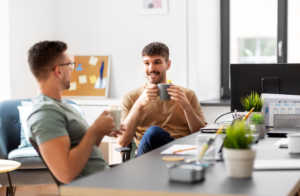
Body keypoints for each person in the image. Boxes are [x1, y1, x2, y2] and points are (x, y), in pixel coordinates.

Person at [26, 40, 123, 184]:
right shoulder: (45, 114)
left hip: (104, 180)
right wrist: (94, 130)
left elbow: (85, 151)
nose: (72, 69)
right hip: (95, 189)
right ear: (58, 70)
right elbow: (66, 173)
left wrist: (100, 131)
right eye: (69, 65)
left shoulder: (61, 105)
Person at [118, 42, 207, 156]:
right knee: (153, 133)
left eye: (157, 62)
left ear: (168, 64)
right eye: (147, 63)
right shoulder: (130, 97)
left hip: (182, 154)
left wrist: (186, 107)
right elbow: (122, 142)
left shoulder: (187, 95)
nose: (151, 68)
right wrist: (138, 105)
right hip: (146, 159)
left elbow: (202, 136)